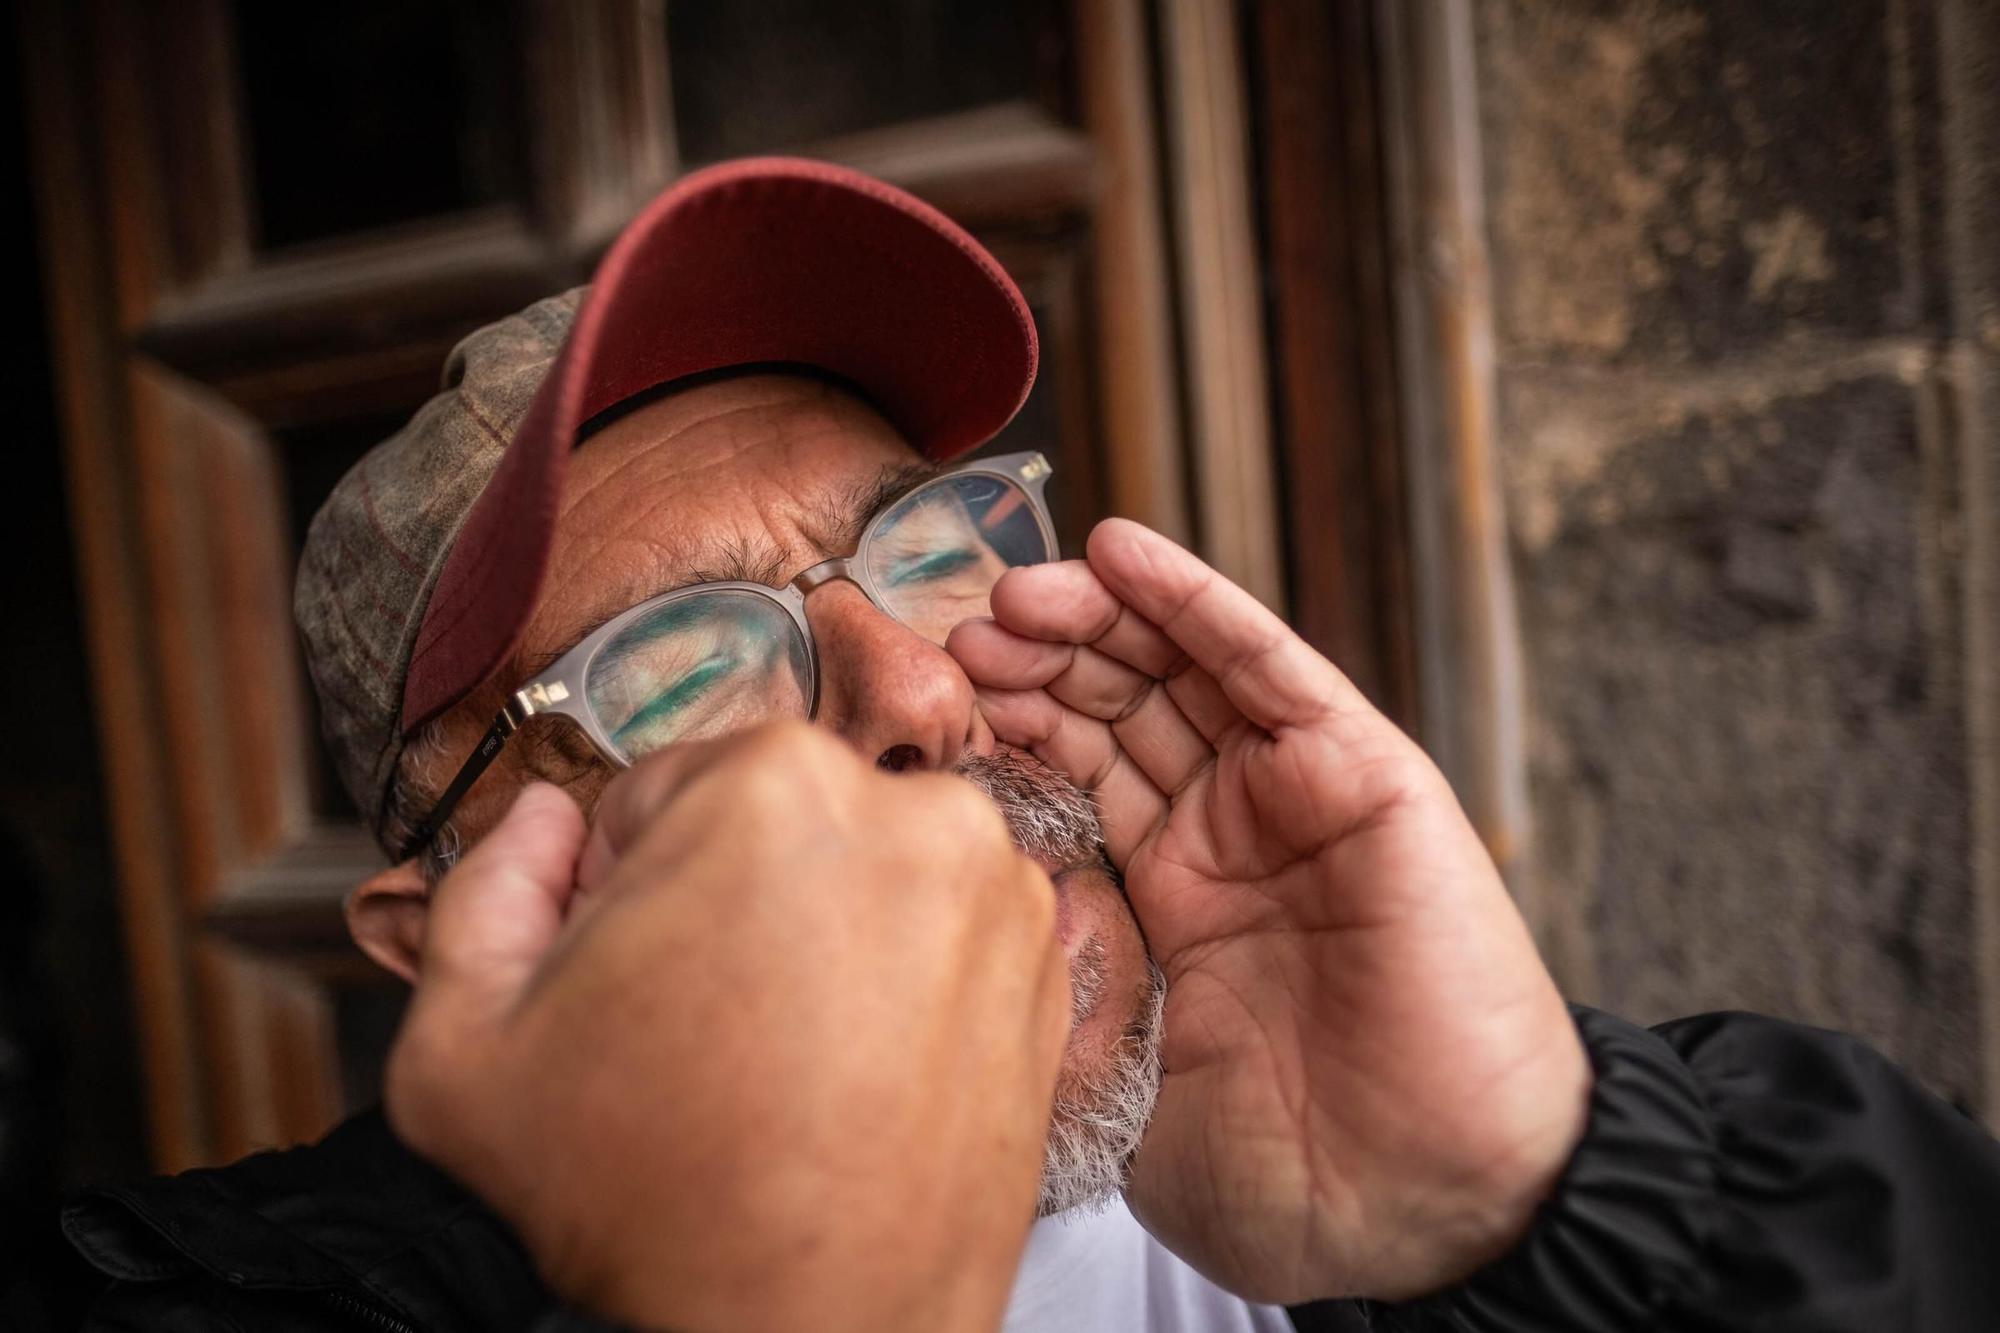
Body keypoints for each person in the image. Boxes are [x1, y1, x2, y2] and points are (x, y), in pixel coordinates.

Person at [57, 160, 2000, 1332]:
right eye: (669, 673)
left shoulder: (1490, 1181)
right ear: (449, 927)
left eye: (929, 548)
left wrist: (1564, 1211)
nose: (916, 694)